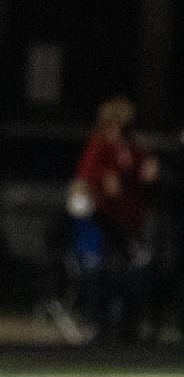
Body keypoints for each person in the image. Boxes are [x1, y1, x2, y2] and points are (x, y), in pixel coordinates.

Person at [69, 96, 158, 345]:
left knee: (134, 273)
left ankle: (130, 325)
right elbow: (85, 178)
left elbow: (144, 175)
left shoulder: (133, 148)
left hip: (131, 219)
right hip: (106, 218)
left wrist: (150, 172)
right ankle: (99, 323)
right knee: (104, 272)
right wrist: (102, 179)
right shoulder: (99, 146)